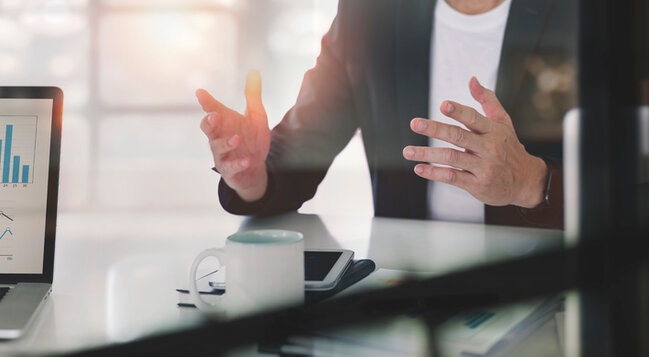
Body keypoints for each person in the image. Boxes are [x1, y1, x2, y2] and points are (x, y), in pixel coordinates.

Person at [197, 0, 575, 229]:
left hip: (551, 285)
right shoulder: (368, 10)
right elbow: (300, 150)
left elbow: (632, 185)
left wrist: (532, 183)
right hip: (409, 287)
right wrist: (251, 174)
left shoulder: (600, 15)